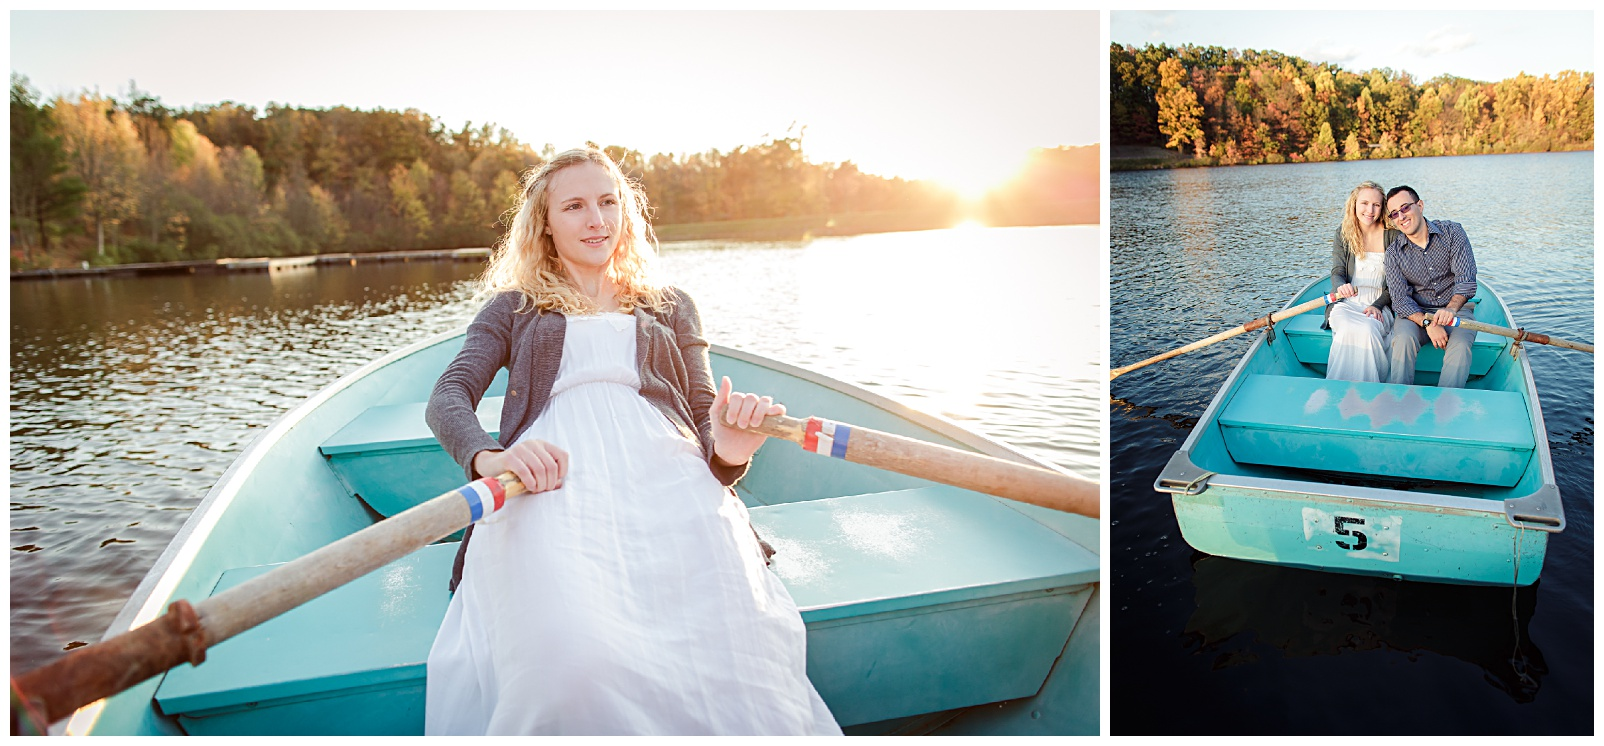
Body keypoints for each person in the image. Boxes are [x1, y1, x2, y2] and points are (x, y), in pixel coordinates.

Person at [422, 147, 841, 735]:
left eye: (608, 201)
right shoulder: (514, 307)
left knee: (739, 635)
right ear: (545, 223)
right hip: (553, 480)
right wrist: (493, 457)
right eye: (574, 206)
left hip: (671, 477)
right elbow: (448, 397)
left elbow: (707, 434)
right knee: (569, 664)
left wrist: (731, 447)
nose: (597, 219)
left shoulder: (671, 306)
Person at [1382, 185, 1478, 388]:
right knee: (1403, 340)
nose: (1401, 216)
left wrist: (1450, 310)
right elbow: (1400, 300)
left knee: (1460, 346)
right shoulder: (1393, 254)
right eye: (1394, 214)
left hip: (1457, 310)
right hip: (1417, 314)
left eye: (1405, 208)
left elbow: (1466, 279)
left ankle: (1446, 402)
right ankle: (1399, 400)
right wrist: (1428, 323)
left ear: (1420, 205)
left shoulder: (1453, 232)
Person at [1323, 180, 1397, 383]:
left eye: (1376, 205)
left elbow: (1398, 283)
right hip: (1348, 303)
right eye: (1364, 203)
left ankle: (1370, 393)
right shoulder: (1344, 233)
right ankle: (1339, 389)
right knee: (1346, 329)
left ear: (1382, 208)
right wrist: (1341, 287)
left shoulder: (1392, 235)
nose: (1369, 210)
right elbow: (1338, 270)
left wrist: (1378, 306)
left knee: (1367, 330)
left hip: (1380, 305)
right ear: (1354, 204)